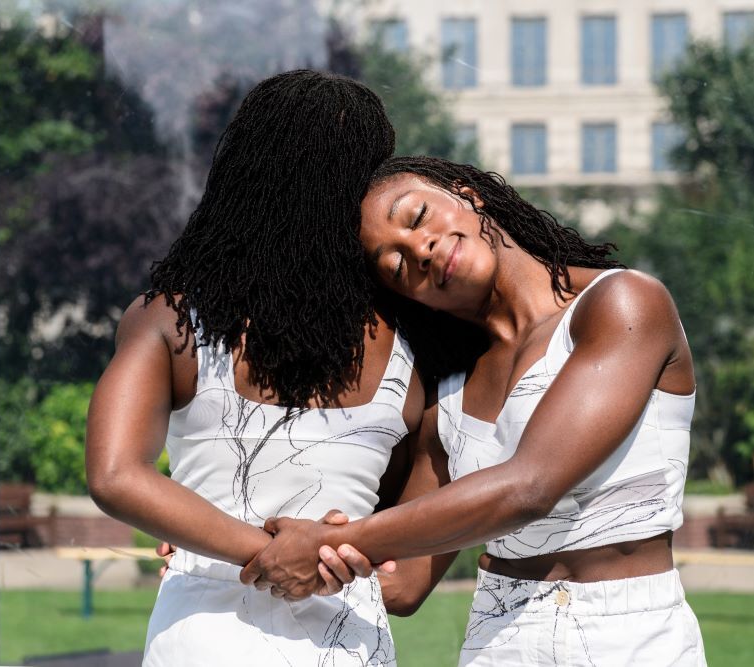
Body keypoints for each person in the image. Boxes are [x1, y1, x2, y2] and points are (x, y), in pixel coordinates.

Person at [241, 156, 708, 666]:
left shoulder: (622, 303)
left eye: (417, 217)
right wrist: (239, 547)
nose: (420, 249)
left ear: (468, 195)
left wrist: (329, 541)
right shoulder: (448, 399)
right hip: (498, 640)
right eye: (396, 265)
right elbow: (402, 586)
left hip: (631, 635)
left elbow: (530, 488)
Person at [85, 71, 447, 666]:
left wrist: (253, 547)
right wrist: (323, 554)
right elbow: (404, 585)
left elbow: (116, 475)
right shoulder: (415, 339)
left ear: (241, 175)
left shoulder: (170, 321)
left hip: (201, 637)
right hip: (348, 638)